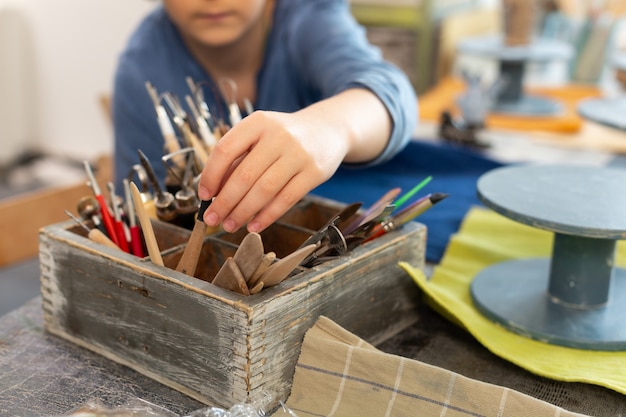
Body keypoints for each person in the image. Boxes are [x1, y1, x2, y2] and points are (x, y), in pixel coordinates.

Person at [112, 0, 418, 234]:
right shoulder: (141, 70)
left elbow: (391, 96)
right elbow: (147, 213)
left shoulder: (307, 16)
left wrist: (330, 127)